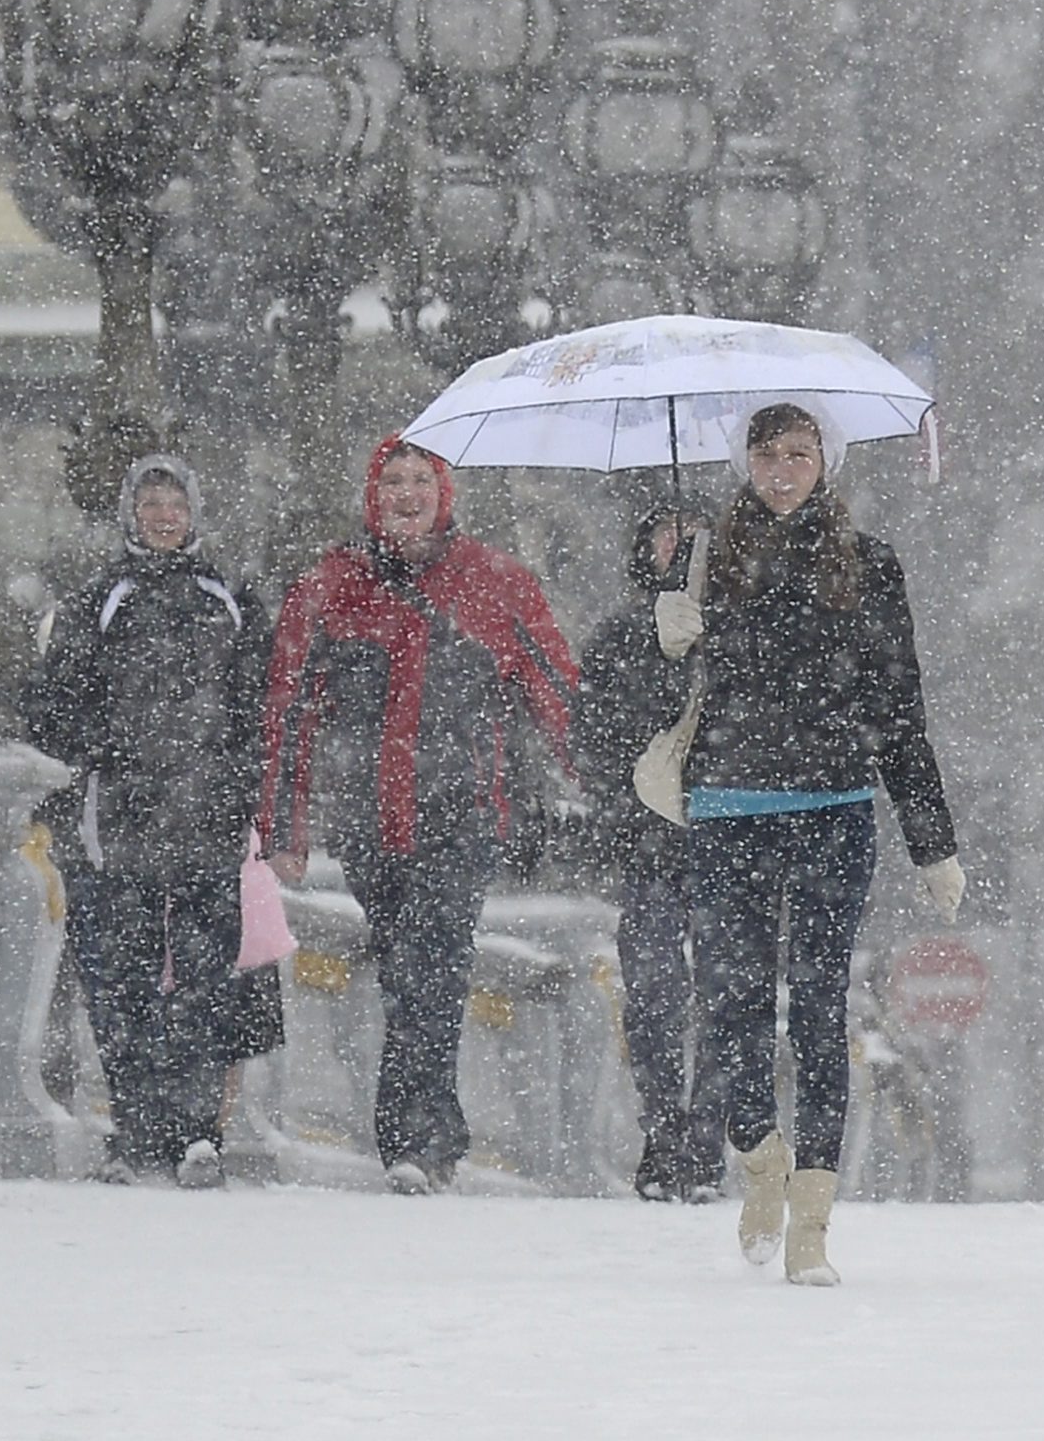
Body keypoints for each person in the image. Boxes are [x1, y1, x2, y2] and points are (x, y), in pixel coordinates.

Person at [642, 403, 964, 1285]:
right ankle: (760, 1157)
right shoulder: (702, 555)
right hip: (727, 804)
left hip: (833, 807)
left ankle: (813, 1222)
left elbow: (900, 705)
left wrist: (931, 837)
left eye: (797, 452)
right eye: (765, 453)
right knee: (730, 1002)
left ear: (828, 459)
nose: (780, 470)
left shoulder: (869, 564)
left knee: (820, 1004)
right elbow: (646, 691)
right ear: (742, 460)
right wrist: (666, 625)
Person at [258, 435, 579, 1194]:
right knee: (407, 967)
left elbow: (556, 693)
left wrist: (624, 785)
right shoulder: (331, 585)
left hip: (463, 812)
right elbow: (289, 709)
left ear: (445, 492)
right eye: (392, 479)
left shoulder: (496, 583)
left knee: (435, 961)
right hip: (369, 820)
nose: (407, 493)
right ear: (373, 495)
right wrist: (285, 827)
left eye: (421, 479)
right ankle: (429, 1127)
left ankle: (415, 1137)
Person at [26, 455, 270, 1186]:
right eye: (151, 502)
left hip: (207, 818)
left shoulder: (228, 597)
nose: (165, 516)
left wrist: (236, 782)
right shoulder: (101, 598)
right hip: (122, 819)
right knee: (122, 978)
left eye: (176, 503)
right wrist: (105, 755)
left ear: (195, 513)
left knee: (203, 977)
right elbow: (55, 706)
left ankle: (197, 1131)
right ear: (130, 513)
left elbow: (260, 705)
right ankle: (137, 1127)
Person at [574, 503, 720, 1201]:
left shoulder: (741, 627)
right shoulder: (617, 634)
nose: (680, 542)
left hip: (727, 840)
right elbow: (596, 736)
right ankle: (663, 1129)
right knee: (656, 993)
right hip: (649, 846)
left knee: (728, 993)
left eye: (694, 530)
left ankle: (710, 1138)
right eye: (666, 529)